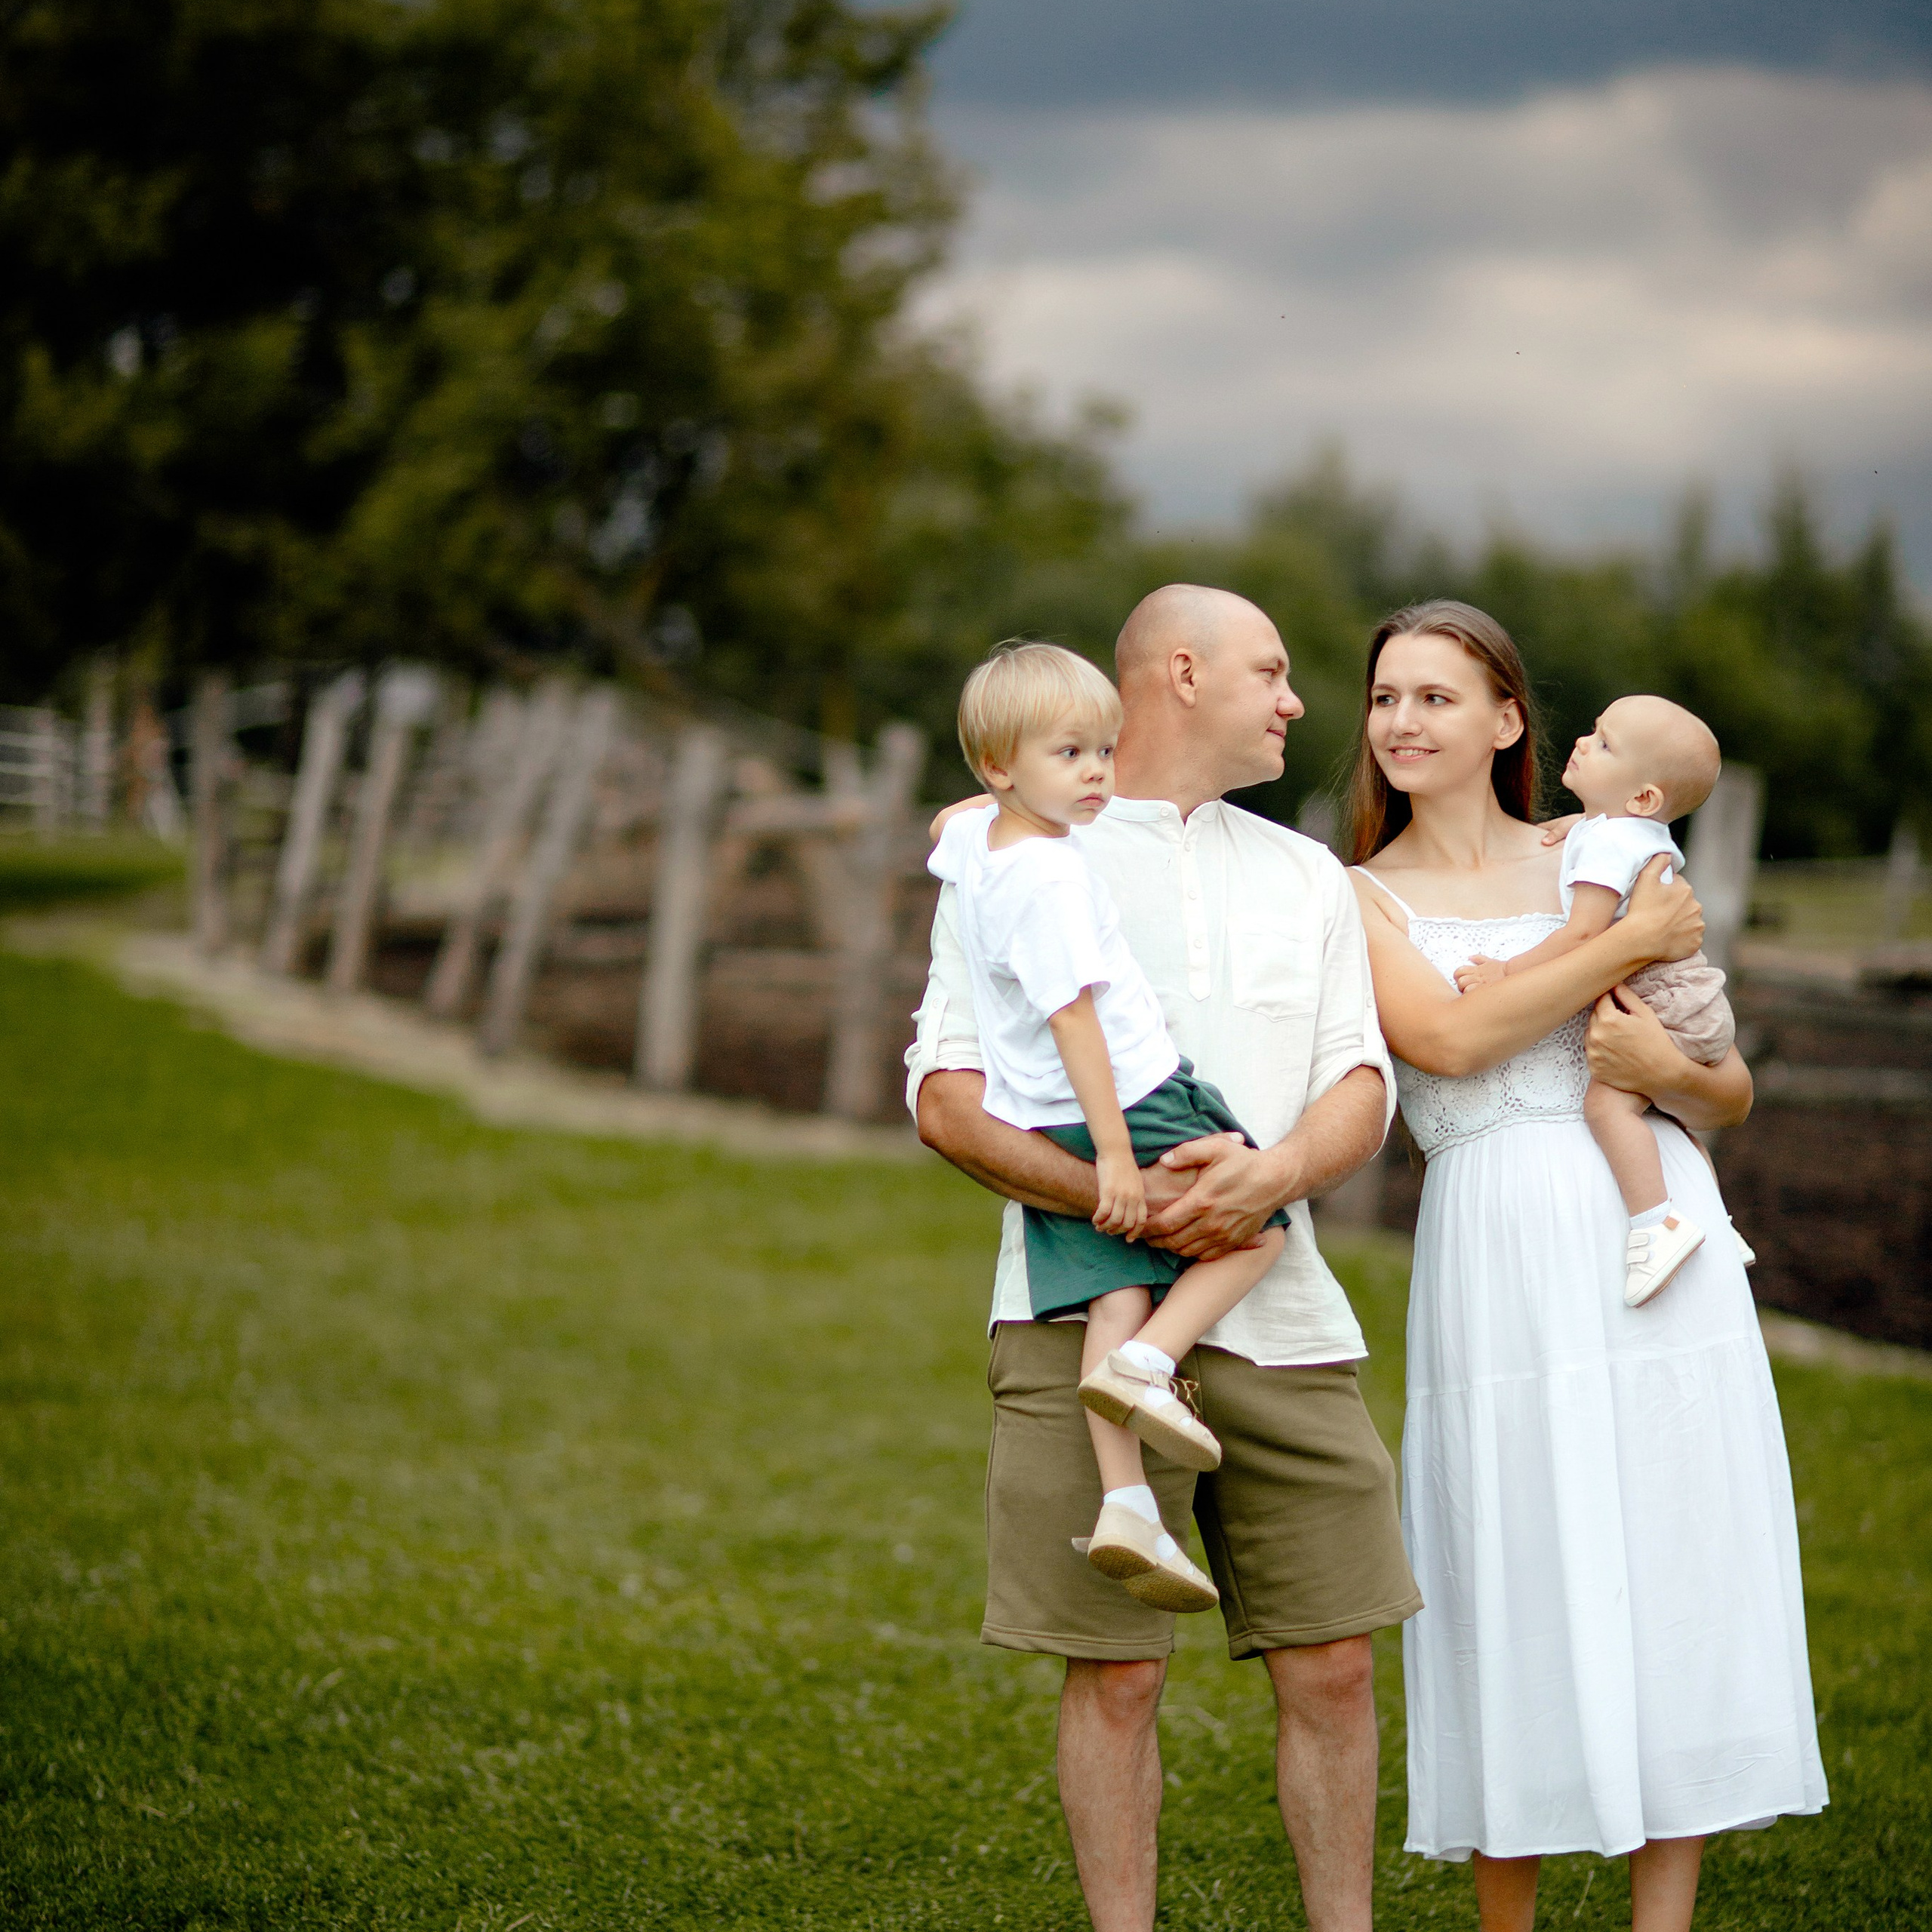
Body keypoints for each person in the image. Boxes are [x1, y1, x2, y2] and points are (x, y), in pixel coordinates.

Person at [909, 585, 1421, 1932]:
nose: (1301, 702)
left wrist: (1271, 1174)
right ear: (1184, 675)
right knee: (1116, 1674)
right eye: (1276, 671)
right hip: (1081, 1302)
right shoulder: (1008, 854)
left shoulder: (1309, 871)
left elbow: (1358, 1087)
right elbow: (946, 1100)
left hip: (1285, 1310)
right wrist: (1126, 1203)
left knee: (1334, 1667)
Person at [1346, 599, 1826, 1932]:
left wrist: (1669, 1070)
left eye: (1438, 697)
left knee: (1675, 1554)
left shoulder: (1603, 846)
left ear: (1509, 720)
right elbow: (1446, 1041)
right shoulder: (1361, 896)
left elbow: (1719, 1086)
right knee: (1515, 1567)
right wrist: (1619, 949)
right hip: (1497, 1235)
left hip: (1651, 1222)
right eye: (1387, 697)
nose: (1403, 722)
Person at [930, 642, 1289, 1614]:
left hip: (1044, 1117)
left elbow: (945, 822)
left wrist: (987, 799)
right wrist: (1122, 1155)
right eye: (1071, 756)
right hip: (1128, 1095)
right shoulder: (1049, 878)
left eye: (1103, 751)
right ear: (1005, 767)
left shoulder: (984, 845)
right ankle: (1150, 1364)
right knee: (1259, 1227)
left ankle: (1127, 1503)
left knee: (1116, 1287)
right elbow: (1074, 1016)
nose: (1096, 775)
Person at [1449, 694, 1743, 1305]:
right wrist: (1573, 824)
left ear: (1641, 797)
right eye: (1593, 729)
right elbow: (1600, 835)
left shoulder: (1609, 845)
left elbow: (1583, 934)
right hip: (1695, 998)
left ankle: (1656, 1223)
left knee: (1609, 1108)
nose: (1583, 742)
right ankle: (1719, 1219)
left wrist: (1508, 970)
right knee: (1664, 1115)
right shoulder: (1627, 831)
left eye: (1604, 743)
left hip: (1660, 1000)